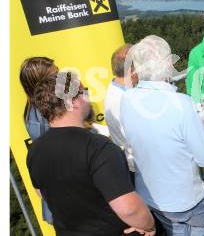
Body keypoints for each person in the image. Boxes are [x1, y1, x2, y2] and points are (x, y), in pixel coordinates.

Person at [26, 71, 155, 236]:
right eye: (84, 91)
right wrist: (148, 224)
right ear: (73, 102)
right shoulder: (98, 147)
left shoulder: (35, 152)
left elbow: (42, 193)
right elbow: (129, 209)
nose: (88, 95)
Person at [121, 35, 204, 235]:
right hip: (185, 199)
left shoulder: (126, 99)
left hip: (150, 196)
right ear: (167, 64)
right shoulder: (181, 103)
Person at [19, 57, 58, 225]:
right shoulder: (40, 117)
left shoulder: (37, 110)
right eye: (55, 74)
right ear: (41, 82)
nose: (60, 77)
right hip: (64, 204)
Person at [104, 44, 138, 182]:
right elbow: (135, 139)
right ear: (131, 70)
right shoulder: (120, 101)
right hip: (140, 168)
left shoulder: (123, 92)